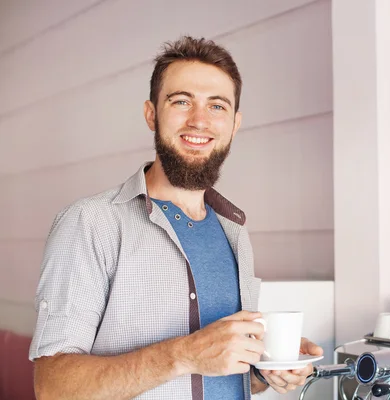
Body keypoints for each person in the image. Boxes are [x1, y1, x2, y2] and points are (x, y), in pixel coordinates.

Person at [28, 36, 323, 399]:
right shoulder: (89, 223)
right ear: (152, 113)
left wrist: (268, 369)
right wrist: (182, 356)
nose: (199, 120)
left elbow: (221, 374)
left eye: (217, 106)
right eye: (181, 101)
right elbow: (53, 387)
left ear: (234, 123)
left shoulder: (234, 232)